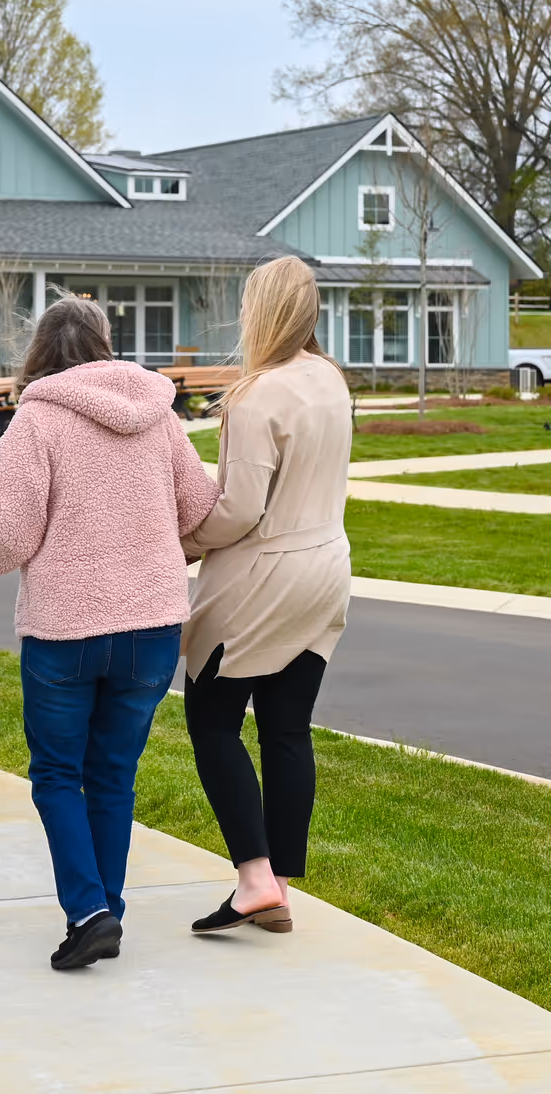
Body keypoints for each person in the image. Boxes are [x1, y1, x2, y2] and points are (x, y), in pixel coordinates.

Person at [0, 296, 218, 970]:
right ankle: (106, 910)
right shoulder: (160, 418)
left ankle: (90, 911)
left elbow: (8, 535)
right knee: (114, 777)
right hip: (152, 627)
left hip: (65, 629)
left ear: (40, 350)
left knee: (59, 775)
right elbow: (200, 508)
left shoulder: (34, 421)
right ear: (105, 343)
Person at [180, 256, 352, 936]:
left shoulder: (257, 396)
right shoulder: (331, 382)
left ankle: (253, 880)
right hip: (327, 567)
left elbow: (241, 511)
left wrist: (184, 538)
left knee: (214, 721)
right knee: (286, 729)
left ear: (262, 313)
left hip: (262, 576)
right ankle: (278, 883)